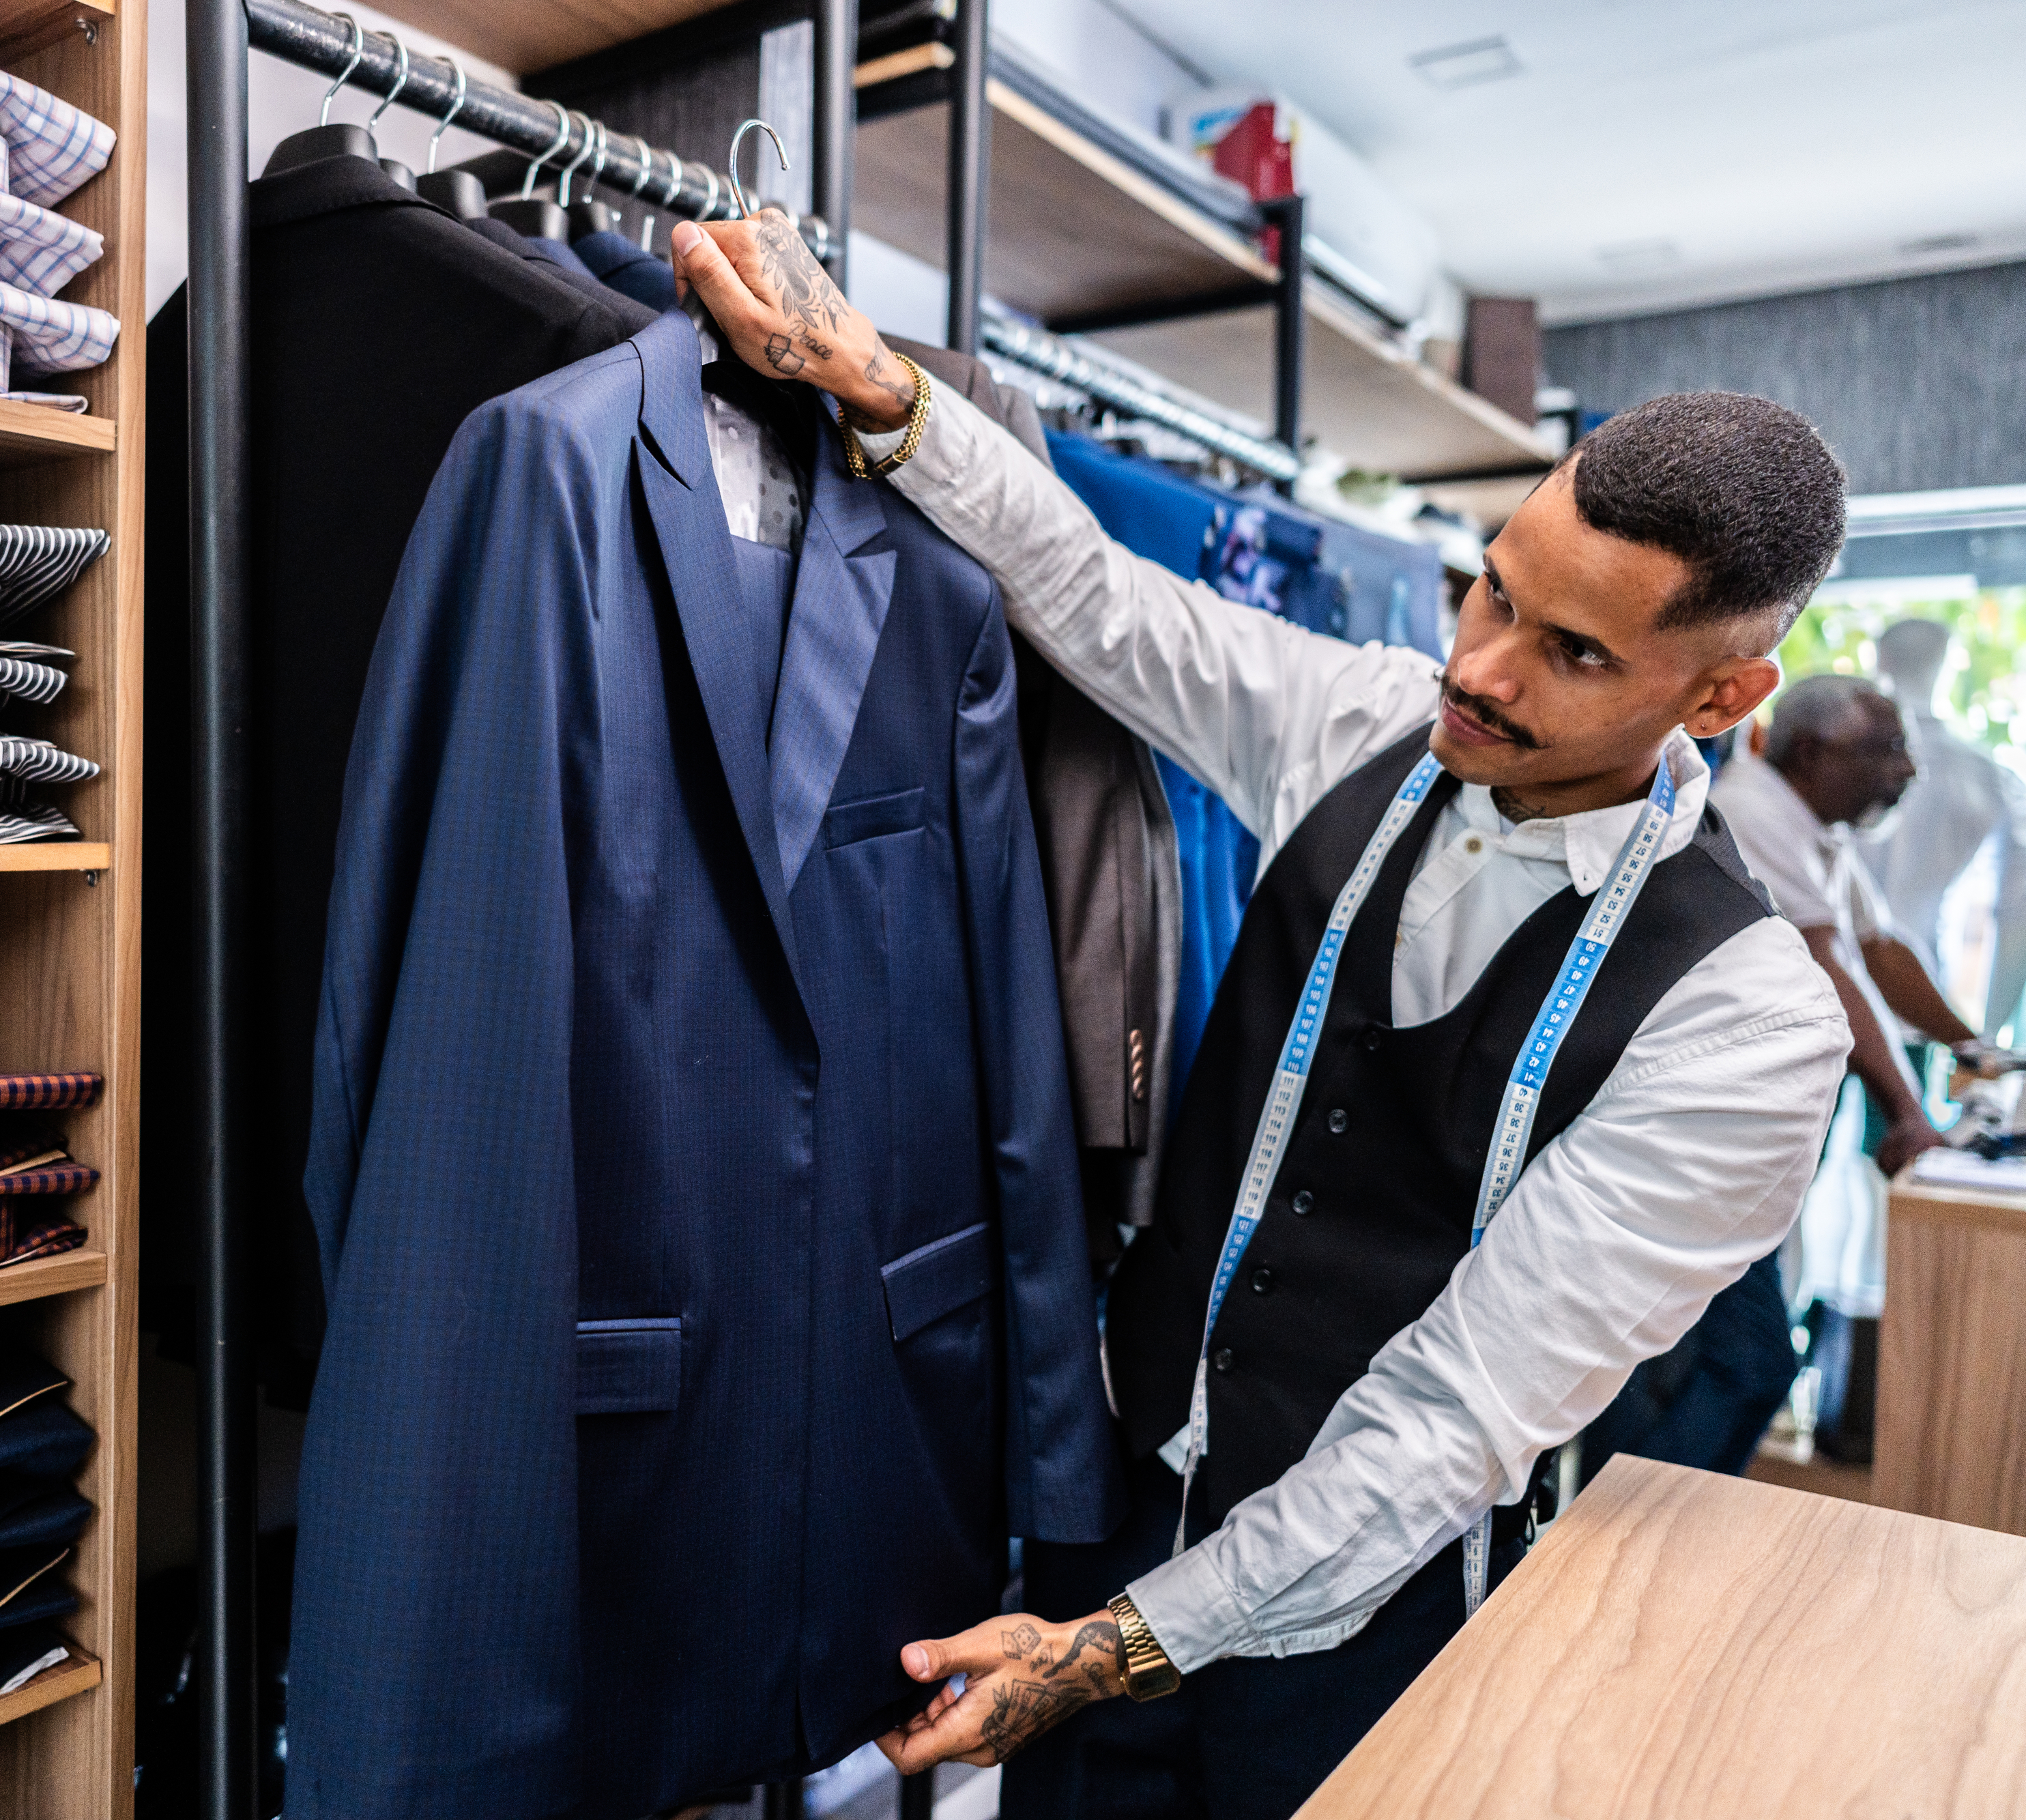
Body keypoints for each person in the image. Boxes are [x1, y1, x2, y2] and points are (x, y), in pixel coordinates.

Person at [671, 214, 1853, 1819]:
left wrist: (1106, 1652)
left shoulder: (1745, 1027)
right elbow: (1099, 597)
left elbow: (1447, 1421)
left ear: (1717, 698)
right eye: (1489, 592)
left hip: (1369, 1624)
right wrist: (882, 389)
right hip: (1111, 1517)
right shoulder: (1369, 721)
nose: (1479, 670)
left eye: (1571, 654)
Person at [1709, 673, 1976, 1464]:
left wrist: (1976, 1050)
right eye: (1884, 750)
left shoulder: (1813, 831)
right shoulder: (1751, 813)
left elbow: (1881, 953)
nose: (1907, 770)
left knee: (1729, 1363)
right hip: (1716, 1137)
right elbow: (1831, 968)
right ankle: (1624, 1519)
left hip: (1759, 1143)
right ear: (1808, 752)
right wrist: (1906, 1113)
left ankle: (1643, 1513)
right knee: (1746, 1364)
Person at [1865, 618, 2026, 1046]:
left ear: (1882, 660)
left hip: (1831, 985)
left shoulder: (1829, 759)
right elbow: (2017, 913)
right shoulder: (1986, 775)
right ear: (1947, 666)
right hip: (1927, 993)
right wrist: (1986, 1036)